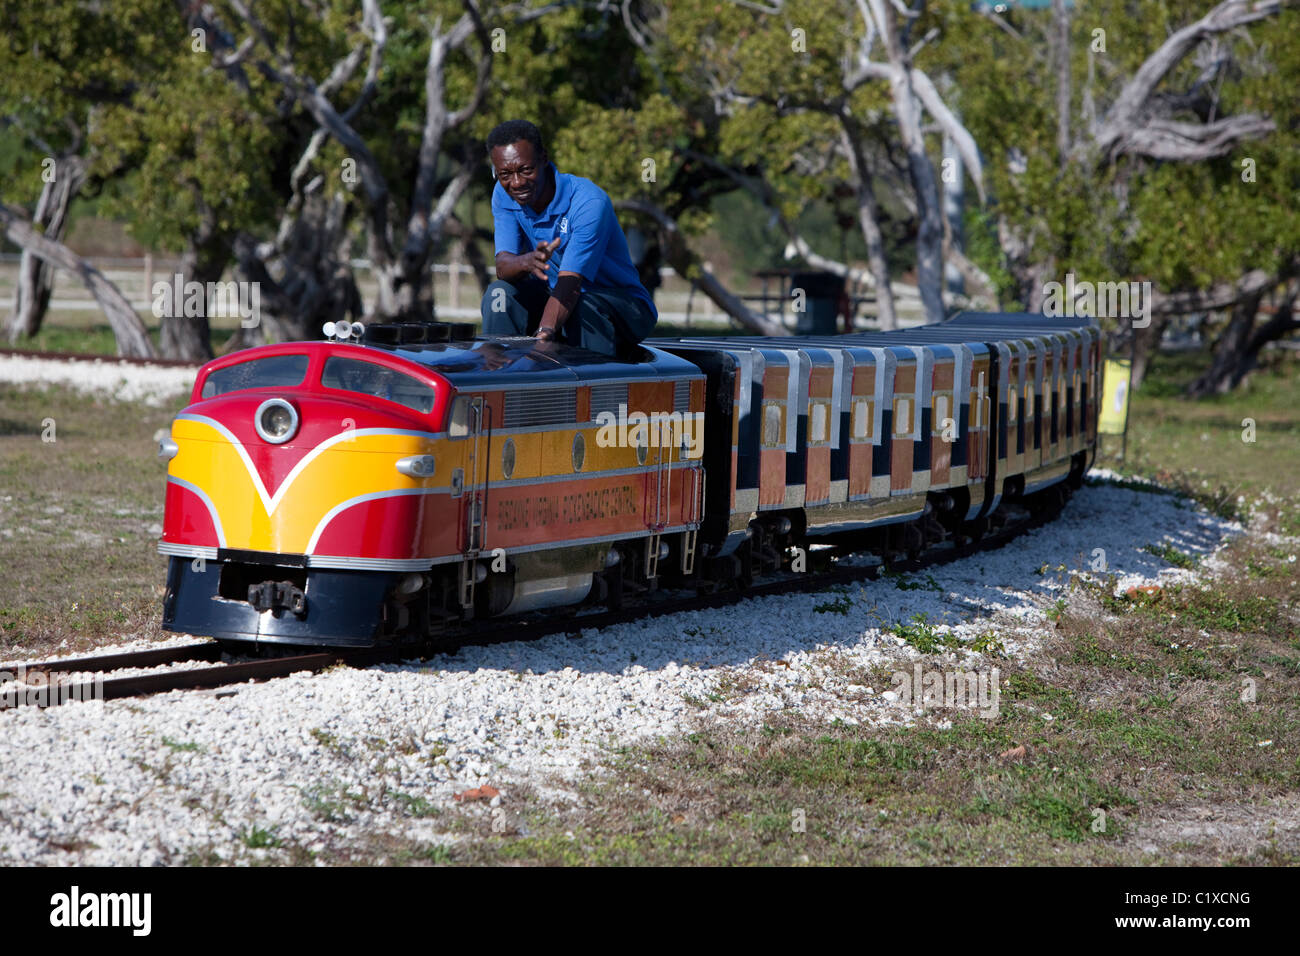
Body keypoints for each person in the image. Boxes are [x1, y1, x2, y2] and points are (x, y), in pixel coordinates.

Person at [480, 119, 657, 357]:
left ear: (543, 159)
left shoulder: (589, 203)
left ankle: (592, 386)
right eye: (505, 174)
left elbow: (571, 285)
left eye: (526, 170)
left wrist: (543, 338)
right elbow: (503, 267)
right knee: (498, 293)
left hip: (621, 306)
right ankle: (497, 378)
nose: (517, 182)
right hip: (558, 298)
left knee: (584, 305)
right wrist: (526, 261)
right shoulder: (503, 194)